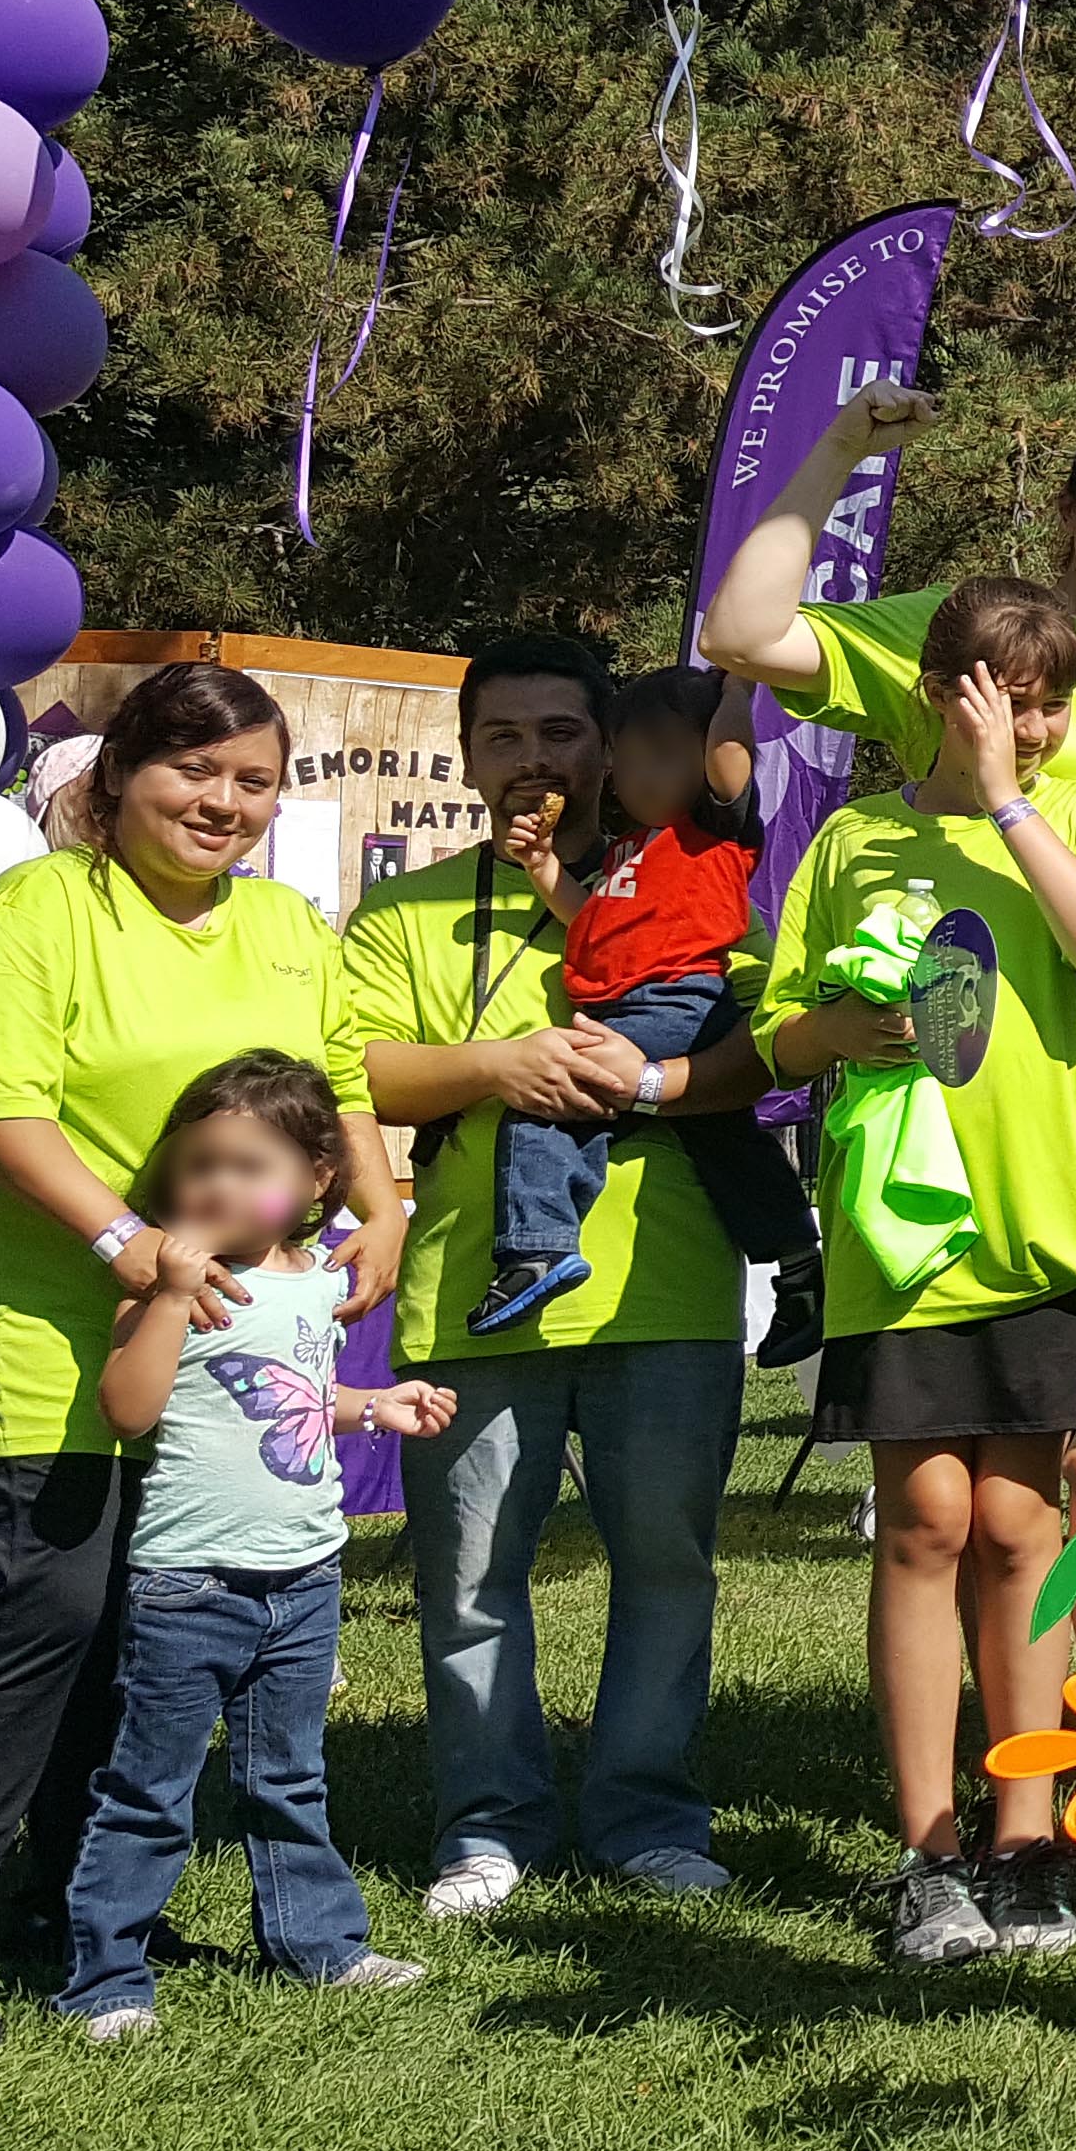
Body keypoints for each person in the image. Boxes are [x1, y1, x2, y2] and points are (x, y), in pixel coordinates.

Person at [0, 661, 404, 2057]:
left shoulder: (288, 926)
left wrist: (387, 1202)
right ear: (118, 778)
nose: (221, 802)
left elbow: (342, 1081)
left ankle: (80, 1904)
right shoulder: (38, 909)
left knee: (143, 1640)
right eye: (194, 770)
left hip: (222, 1371)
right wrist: (133, 1250)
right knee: (44, 1618)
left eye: (252, 781)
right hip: (45, 1336)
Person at [760, 575, 1076, 1969]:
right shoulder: (855, 838)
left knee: (1022, 1531)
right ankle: (927, 1852)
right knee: (925, 1527)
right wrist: (842, 1027)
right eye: (1008, 695)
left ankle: (1027, 1837)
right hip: (902, 1244)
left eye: (1055, 700)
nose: (1037, 723)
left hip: (1055, 1236)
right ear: (938, 689)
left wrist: (1010, 801)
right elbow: (779, 1036)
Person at [350, 642, 765, 1926]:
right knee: (470, 1579)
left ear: (615, 748)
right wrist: (498, 1067)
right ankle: (489, 1827)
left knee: (666, 1570)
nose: (535, 760)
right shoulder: (402, 913)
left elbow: (762, 1058)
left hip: (667, 1287)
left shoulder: (703, 886)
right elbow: (354, 1071)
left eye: (564, 733)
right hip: (472, 1297)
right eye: (505, 737)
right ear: (468, 757)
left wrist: (644, 1078)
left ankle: (646, 1816)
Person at [56, 1052, 453, 2037]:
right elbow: (129, 1409)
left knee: (289, 1776)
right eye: (199, 1166)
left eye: (248, 1165)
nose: (219, 1186)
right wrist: (161, 1298)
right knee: (149, 1786)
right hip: (190, 1585)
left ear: (317, 1181)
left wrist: (372, 1408)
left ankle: (318, 1944)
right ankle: (107, 1977)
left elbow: (296, 1403)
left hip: (306, 1577)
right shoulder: (166, 1287)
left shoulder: (315, 1284)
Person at [701, 384, 1076, 981]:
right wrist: (841, 449)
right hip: (999, 1017)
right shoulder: (973, 629)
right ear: (1067, 508)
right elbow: (740, 637)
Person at [467, 661, 814, 1345]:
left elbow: (730, 758)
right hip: (655, 1007)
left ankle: (537, 1246)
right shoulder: (632, 849)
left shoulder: (713, 833)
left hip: (673, 999)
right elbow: (590, 919)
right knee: (723, 1140)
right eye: (628, 761)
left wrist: (739, 693)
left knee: (549, 1096)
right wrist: (544, 871)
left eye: (666, 756)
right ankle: (800, 1267)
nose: (643, 776)